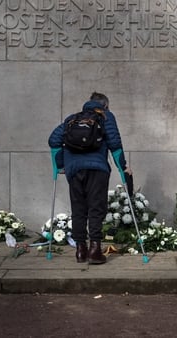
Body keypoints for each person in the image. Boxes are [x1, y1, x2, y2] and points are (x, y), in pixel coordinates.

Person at [48, 92, 130, 265]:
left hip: (74, 170)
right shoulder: (106, 116)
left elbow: (53, 140)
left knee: (78, 209)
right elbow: (115, 144)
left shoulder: (73, 118)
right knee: (95, 208)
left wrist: (61, 165)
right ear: (105, 106)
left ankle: (80, 250)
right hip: (97, 169)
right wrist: (123, 167)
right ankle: (95, 250)